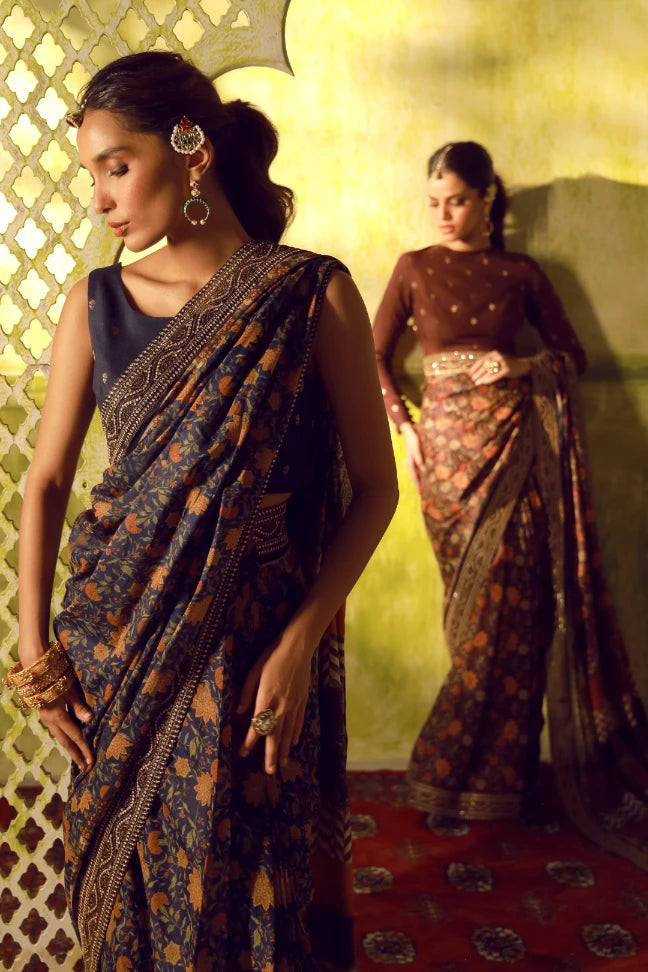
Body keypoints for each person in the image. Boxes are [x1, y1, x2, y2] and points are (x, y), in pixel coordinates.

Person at [8, 51, 398, 971]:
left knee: (247, 877)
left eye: (117, 166)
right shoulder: (95, 304)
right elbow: (47, 483)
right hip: (117, 636)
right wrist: (34, 653)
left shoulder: (309, 293)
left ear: (192, 151)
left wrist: (299, 642)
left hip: (255, 640)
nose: (100, 199)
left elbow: (377, 487)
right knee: (130, 880)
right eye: (90, 175)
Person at [373, 140, 648, 868]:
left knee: (516, 614)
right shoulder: (413, 268)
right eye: (434, 202)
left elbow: (570, 355)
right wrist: (405, 427)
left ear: (487, 200)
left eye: (457, 201)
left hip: (516, 450)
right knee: (473, 622)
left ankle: (502, 779)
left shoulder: (519, 272)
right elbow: (373, 354)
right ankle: (454, 774)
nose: (443, 215)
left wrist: (520, 363)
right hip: (444, 457)